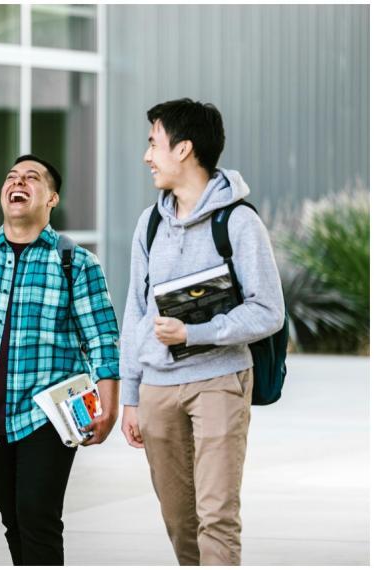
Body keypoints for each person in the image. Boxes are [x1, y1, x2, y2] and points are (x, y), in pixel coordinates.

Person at [0, 155, 120, 566]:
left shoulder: (76, 263)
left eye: (31, 178)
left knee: (38, 514)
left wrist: (109, 407)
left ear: (51, 198)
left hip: (49, 415)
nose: (18, 183)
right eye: (11, 177)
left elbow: (103, 340)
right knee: (14, 519)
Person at [119, 98, 285, 565]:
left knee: (216, 514)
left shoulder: (238, 221)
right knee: (178, 519)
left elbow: (268, 311)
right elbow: (135, 310)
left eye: (154, 144)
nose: (147, 156)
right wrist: (131, 394)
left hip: (220, 382)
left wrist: (195, 334)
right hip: (156, 389)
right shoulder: (149, 223)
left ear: (184, 149)